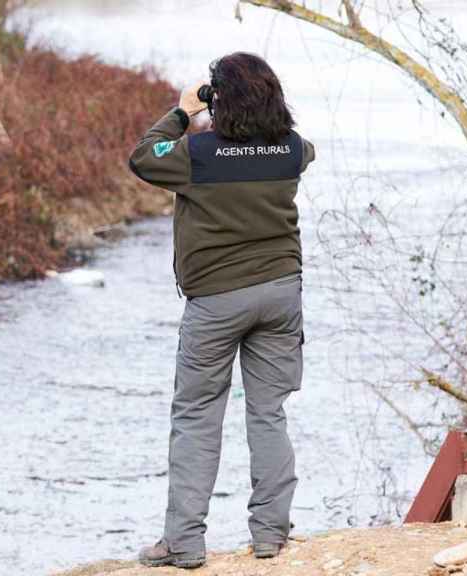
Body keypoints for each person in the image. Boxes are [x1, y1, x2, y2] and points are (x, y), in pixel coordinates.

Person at [128, 52, 315, 568]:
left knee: (197, 418)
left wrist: (183, 113)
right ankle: (271, 536)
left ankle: (184, 543)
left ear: (220, 100)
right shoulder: (293, 149)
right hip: (280, 293)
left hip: (215, 301)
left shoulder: (197, 153)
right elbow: (303, 151)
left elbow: (144, 156)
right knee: (268, 413)